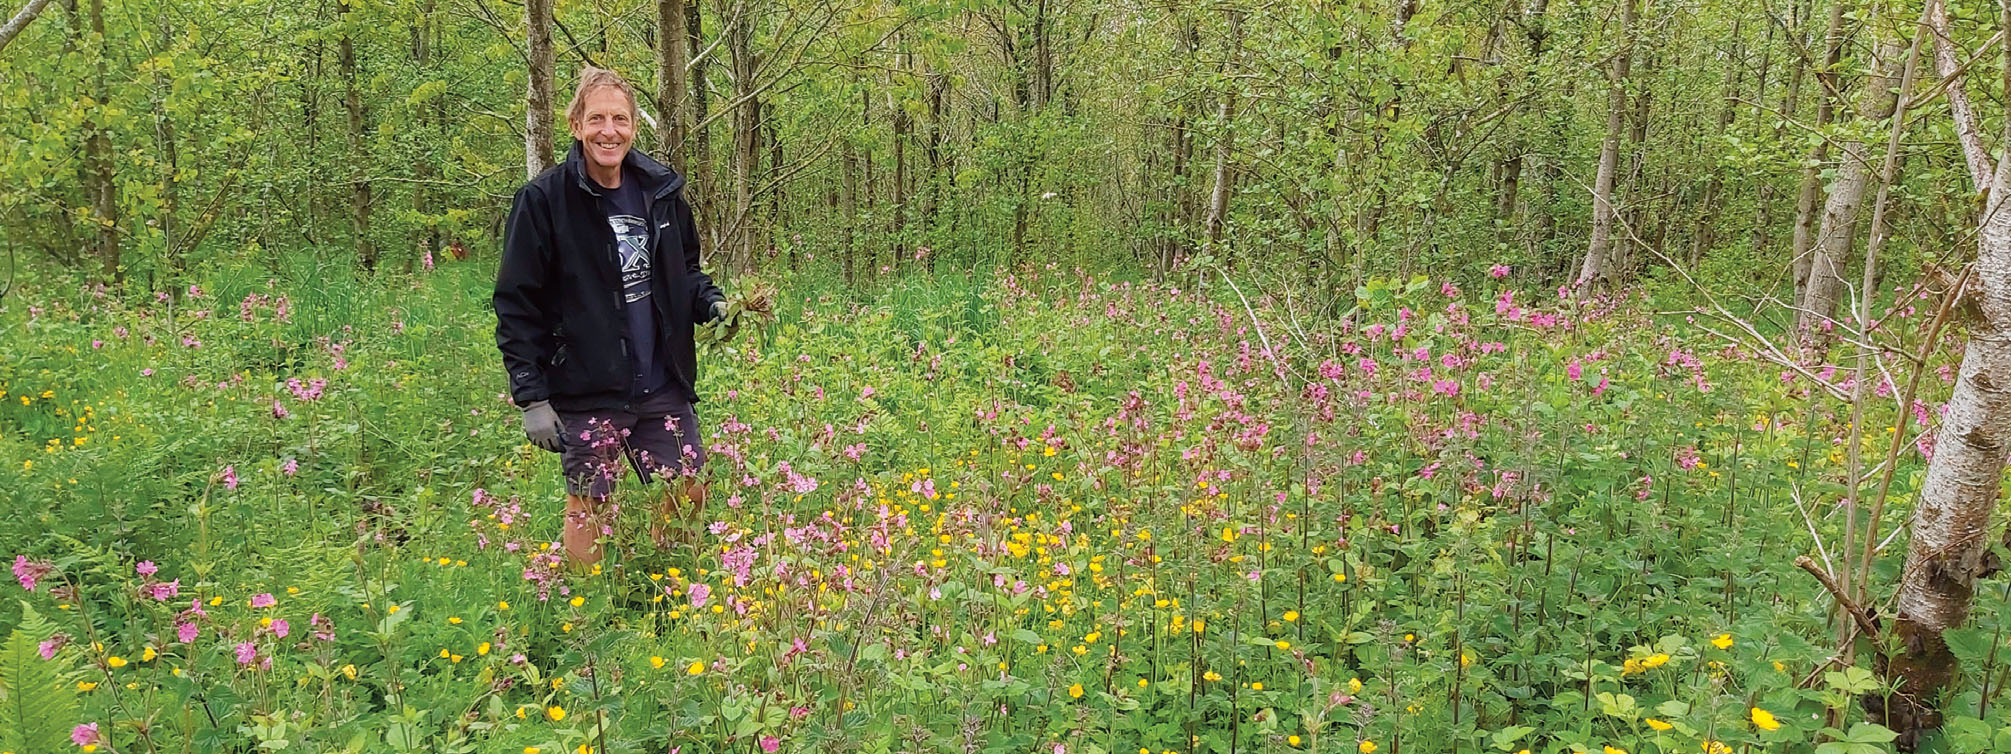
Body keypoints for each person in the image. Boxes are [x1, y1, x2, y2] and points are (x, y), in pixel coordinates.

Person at [494, 66, 728, 567]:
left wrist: (712, 303)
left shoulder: (660, 192)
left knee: (688, 488)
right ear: (576, 125)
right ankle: (588, 613)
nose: (609, 130)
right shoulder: (543, 201)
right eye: (596, 118)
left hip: (661, 379)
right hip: (586, 381)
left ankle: (671, 587)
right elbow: (517, 303)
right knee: (589, 506)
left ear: (633, 127)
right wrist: (531, 398)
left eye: (619, 119)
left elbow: (683, 270)